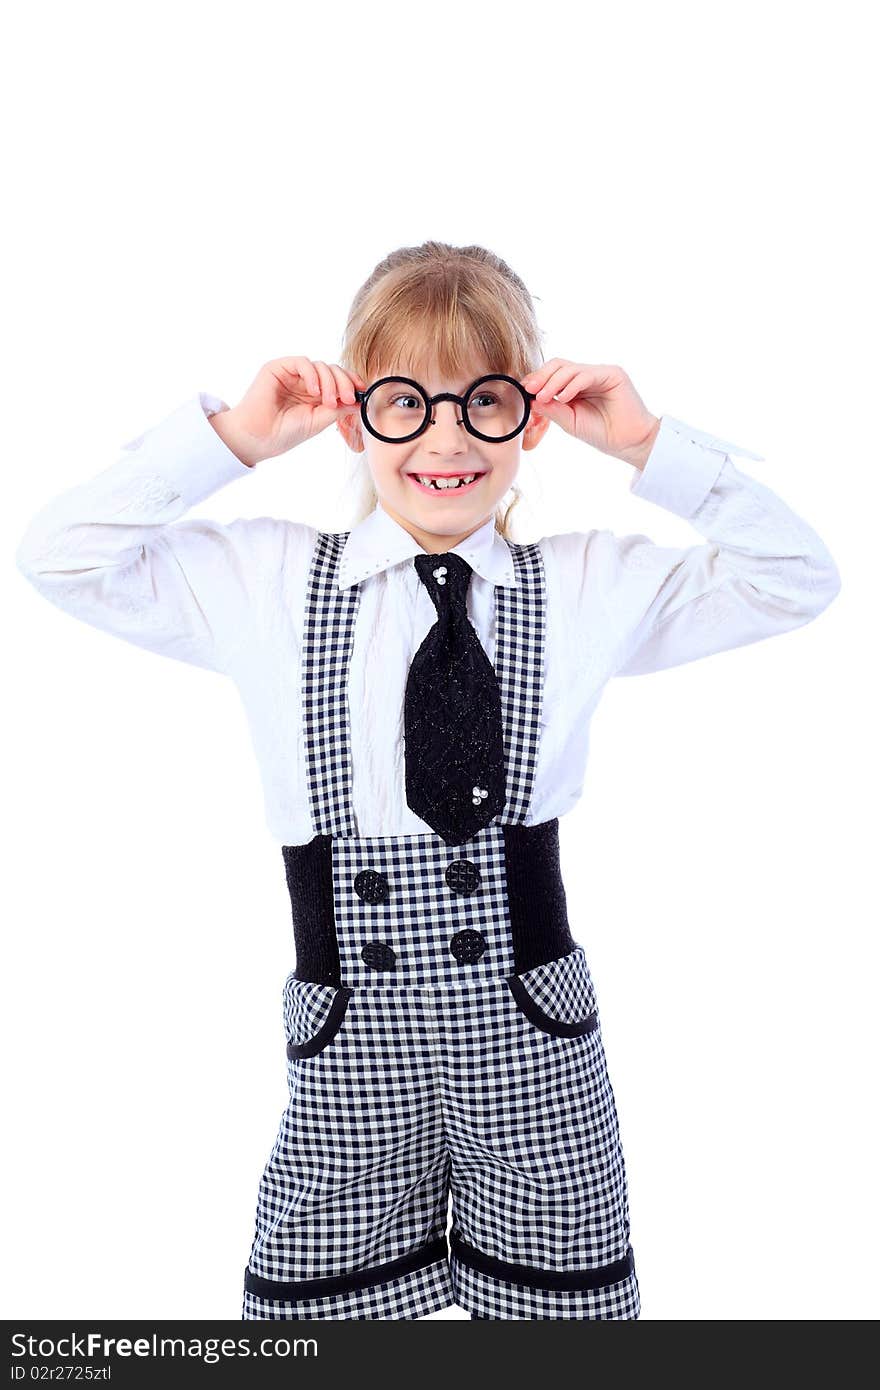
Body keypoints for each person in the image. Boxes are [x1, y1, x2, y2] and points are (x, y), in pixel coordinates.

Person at [15, 241, 841, 1320]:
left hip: (532, 1044)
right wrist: (232, 440)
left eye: (481, 402)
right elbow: (59, 556)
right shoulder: (262, 579)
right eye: (407, 402)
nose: (446, 438)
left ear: (530, 418)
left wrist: (648, 447)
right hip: (347, 1046)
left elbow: (796, 581)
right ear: (357, 417)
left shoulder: (586, 581)